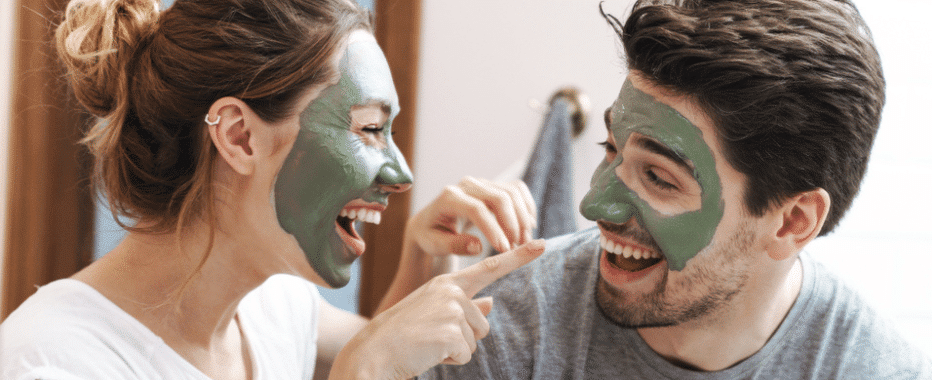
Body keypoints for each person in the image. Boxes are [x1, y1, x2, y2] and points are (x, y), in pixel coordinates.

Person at [384, 0, 932, 378]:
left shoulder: (875, 369)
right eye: (610, 150)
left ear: (792, 222)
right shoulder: (505, 327)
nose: (593, 205)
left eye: (659, 177)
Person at [0, 0, 544, 379]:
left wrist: (422, 259)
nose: (399, 175)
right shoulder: (54, 361)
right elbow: (367, 364)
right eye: (371, 129)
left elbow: (386, 349)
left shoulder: (273, 308)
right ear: (239, 137)